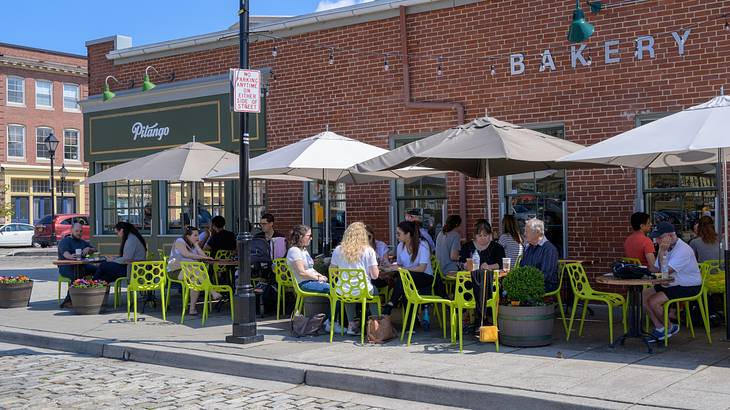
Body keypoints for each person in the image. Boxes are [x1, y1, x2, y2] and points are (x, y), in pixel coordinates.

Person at [642, 222, 702, 341]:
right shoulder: (665, 246)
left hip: (688, 285)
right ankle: (660, 328)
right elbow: (657, 269)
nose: (657, 240)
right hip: (672, 282)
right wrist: (661, 252)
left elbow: (665, 273)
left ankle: (670, 327)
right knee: (643, 295)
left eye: (659, 237)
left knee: (653, 301)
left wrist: (662, 252)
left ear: (670, 236)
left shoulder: (683, 250)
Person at [330, 222, 380, 336]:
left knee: (348, 292)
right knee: (375, 292)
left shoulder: (338, 250)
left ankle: (351, 325)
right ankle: (376, 325)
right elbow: (375, 276)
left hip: (342, 290)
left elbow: (333, 271)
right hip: (363, 290)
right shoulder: (368, 251)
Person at [382, 221, 433, 316]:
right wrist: (387, 268)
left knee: (403, 278)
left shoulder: (422, 245)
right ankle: (411, 322)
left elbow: (422, 268)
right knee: (404, 283)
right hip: (408, 278)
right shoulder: (400, 246)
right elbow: (400, 266)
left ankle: (391, 303)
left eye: (399, 233)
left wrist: (401, 269)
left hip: (425, 277)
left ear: (408, 234)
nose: (396, 236)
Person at [168, 226, 215, 316]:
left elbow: (204, 255)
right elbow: (187, 254)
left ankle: (192, 309)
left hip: (190, 271)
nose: (198, 238)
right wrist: (203, 257)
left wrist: (197, 246)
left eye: (198, 235)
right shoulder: (179, 241)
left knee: (195, 280)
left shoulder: (193, 245)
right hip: (175, 271)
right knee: (196, 270)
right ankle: (211, 290)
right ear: (188, 236)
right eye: (195, 235)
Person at [57, 223, 97, 307]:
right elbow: (65, 253)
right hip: (66, 267)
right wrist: (71, 256)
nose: (79, 233)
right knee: (77, 275)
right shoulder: (65, 241)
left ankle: (93, 296)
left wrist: (89, 249)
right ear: (71, 230)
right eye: (77, 231)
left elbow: (95, 249)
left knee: (99, 270)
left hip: (82, 266)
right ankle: (68, 301)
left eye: (80, 231)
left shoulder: (82, 242)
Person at [286, 224, 329, 294]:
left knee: (337, 289)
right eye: (309, 236)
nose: (311, 238)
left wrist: (320, 276)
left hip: (311, 281)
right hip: (304, 283)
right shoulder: (294, 251)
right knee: (335, 291)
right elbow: (302, 273)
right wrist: (318, 278)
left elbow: (310, 269)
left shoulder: (303, 250)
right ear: (300, 237)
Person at [521, 218, 559, 293]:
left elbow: (546, 275)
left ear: (537, 232)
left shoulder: (549, 249)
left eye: (527, 231)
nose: (524, 234)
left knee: (518, 291)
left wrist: (527, 283)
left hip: (545, 285)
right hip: (529, 283)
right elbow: (522, 267)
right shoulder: (528, 247)